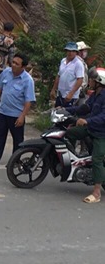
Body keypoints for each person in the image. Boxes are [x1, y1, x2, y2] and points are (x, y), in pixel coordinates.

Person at [0, 52, 36, 166]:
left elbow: (28, 101)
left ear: (23, 67)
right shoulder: (6, 72)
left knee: (17, 139)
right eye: (13, 62)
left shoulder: (28, 80)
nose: (13, 65)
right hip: (2, 111)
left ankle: (15, 161)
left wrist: (22, 116)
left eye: (17, 64)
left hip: (16, 115)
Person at [64, 66, 105, 203]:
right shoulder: (95, 95)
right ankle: (76, 161)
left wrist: (87, 121)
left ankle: (97, 192)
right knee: (68, 133)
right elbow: (85, 107)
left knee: (97, 160)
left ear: (98, 81)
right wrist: (66, 110)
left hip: (101, 133)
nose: (90, 82)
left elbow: (103, 117)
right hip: (91, 128)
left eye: (92, 79)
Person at [50, 41, 85, 107]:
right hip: (60, 94)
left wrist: (71, 93)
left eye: (73, 51)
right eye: (69, 51)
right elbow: (59, 75)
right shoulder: (63, 61)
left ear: (76, 52)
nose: (70, 53)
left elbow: (80, 80)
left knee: (67, 115)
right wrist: (54, 89)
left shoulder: (78, 64)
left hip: (70, 96)